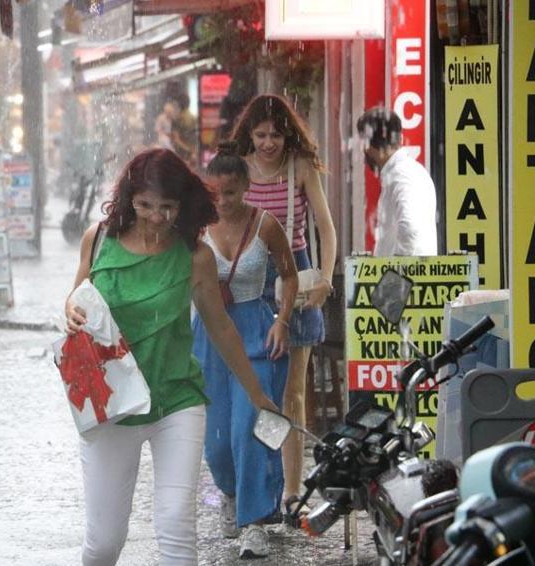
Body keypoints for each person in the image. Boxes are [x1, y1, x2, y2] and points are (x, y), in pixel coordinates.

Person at [64, 148, 280, 566]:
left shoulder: (196, 256)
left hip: (176, 401)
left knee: (176, 527)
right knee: (104, 543)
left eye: (167, 207)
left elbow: (220, 328)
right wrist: (70, 310)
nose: (155, 217)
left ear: (183, 205)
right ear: (129, 198)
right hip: (110, 404)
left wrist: (258, 395)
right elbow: (77, 296)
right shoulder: (99, 240)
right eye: (145, 205)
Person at [230, 94, 337, 522]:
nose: (269, 142)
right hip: (248, 281)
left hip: (298, 274)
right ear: (248, 135)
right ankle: (252, 487)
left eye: (275, 134)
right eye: (260, 134)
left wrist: (326, 280)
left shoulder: (300, 167)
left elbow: (326, 229)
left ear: (286, 133)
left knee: (293, 393)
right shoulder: (238, 169)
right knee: (256, 390)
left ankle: (293, 490)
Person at [191, 141, 298, 558]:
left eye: (231, 193)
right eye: (215, 193)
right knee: (217, 441)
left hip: (256, 333)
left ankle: (254, 521)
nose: (223, 202)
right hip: (209, 339)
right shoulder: (196, 229)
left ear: (246, 187)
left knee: (249, 430)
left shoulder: (266, 225)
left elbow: (289, 276)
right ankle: (233, 493)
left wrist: (283, 322)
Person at [356, 107, 438, 256]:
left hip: (407, 278)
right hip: (417, 275)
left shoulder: (401, 176)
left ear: (369, 146)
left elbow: (409, 229)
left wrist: (394, 275)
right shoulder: (410, 171)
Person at [169, 93, 199, 167]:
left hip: (182, 156)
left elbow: (176, 140)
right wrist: (193, 152)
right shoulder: (194, 118)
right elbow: (197, 137)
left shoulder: (176, 120)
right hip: (194, 155)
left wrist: (188, 151)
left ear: (178, 104)